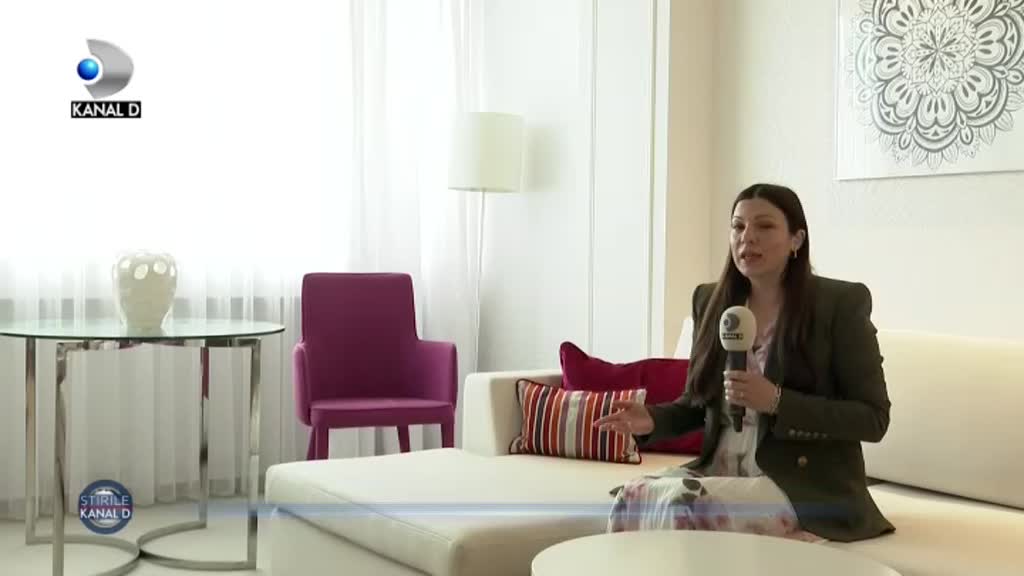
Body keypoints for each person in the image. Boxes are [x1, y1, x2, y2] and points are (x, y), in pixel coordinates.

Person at [594, 183, 895, 543]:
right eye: (738, 226)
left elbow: (873, 418)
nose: (747, 237)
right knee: (634, 496)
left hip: (803, 487)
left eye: (764, 226)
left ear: (796, 239)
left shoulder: (839, 304)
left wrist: (777, 401)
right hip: (721, 471)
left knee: (686, 504)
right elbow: (698, 402)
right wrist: (651, 419)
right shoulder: (710, 300)